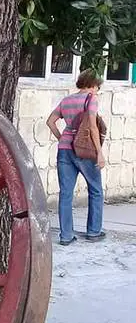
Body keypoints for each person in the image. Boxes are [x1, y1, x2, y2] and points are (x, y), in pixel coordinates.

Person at [46, 69, 106, 246]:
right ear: (93, 85)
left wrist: (62, 138)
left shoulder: (66, 100)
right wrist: (99, 153)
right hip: (85, 151)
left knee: (65, 193)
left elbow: (50, 121)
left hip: (64, 149)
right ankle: (93, 232)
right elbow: (93, 128)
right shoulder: (91, 99)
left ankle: (66, 236)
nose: (97, 91)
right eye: (98, 87)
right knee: (95, 190)